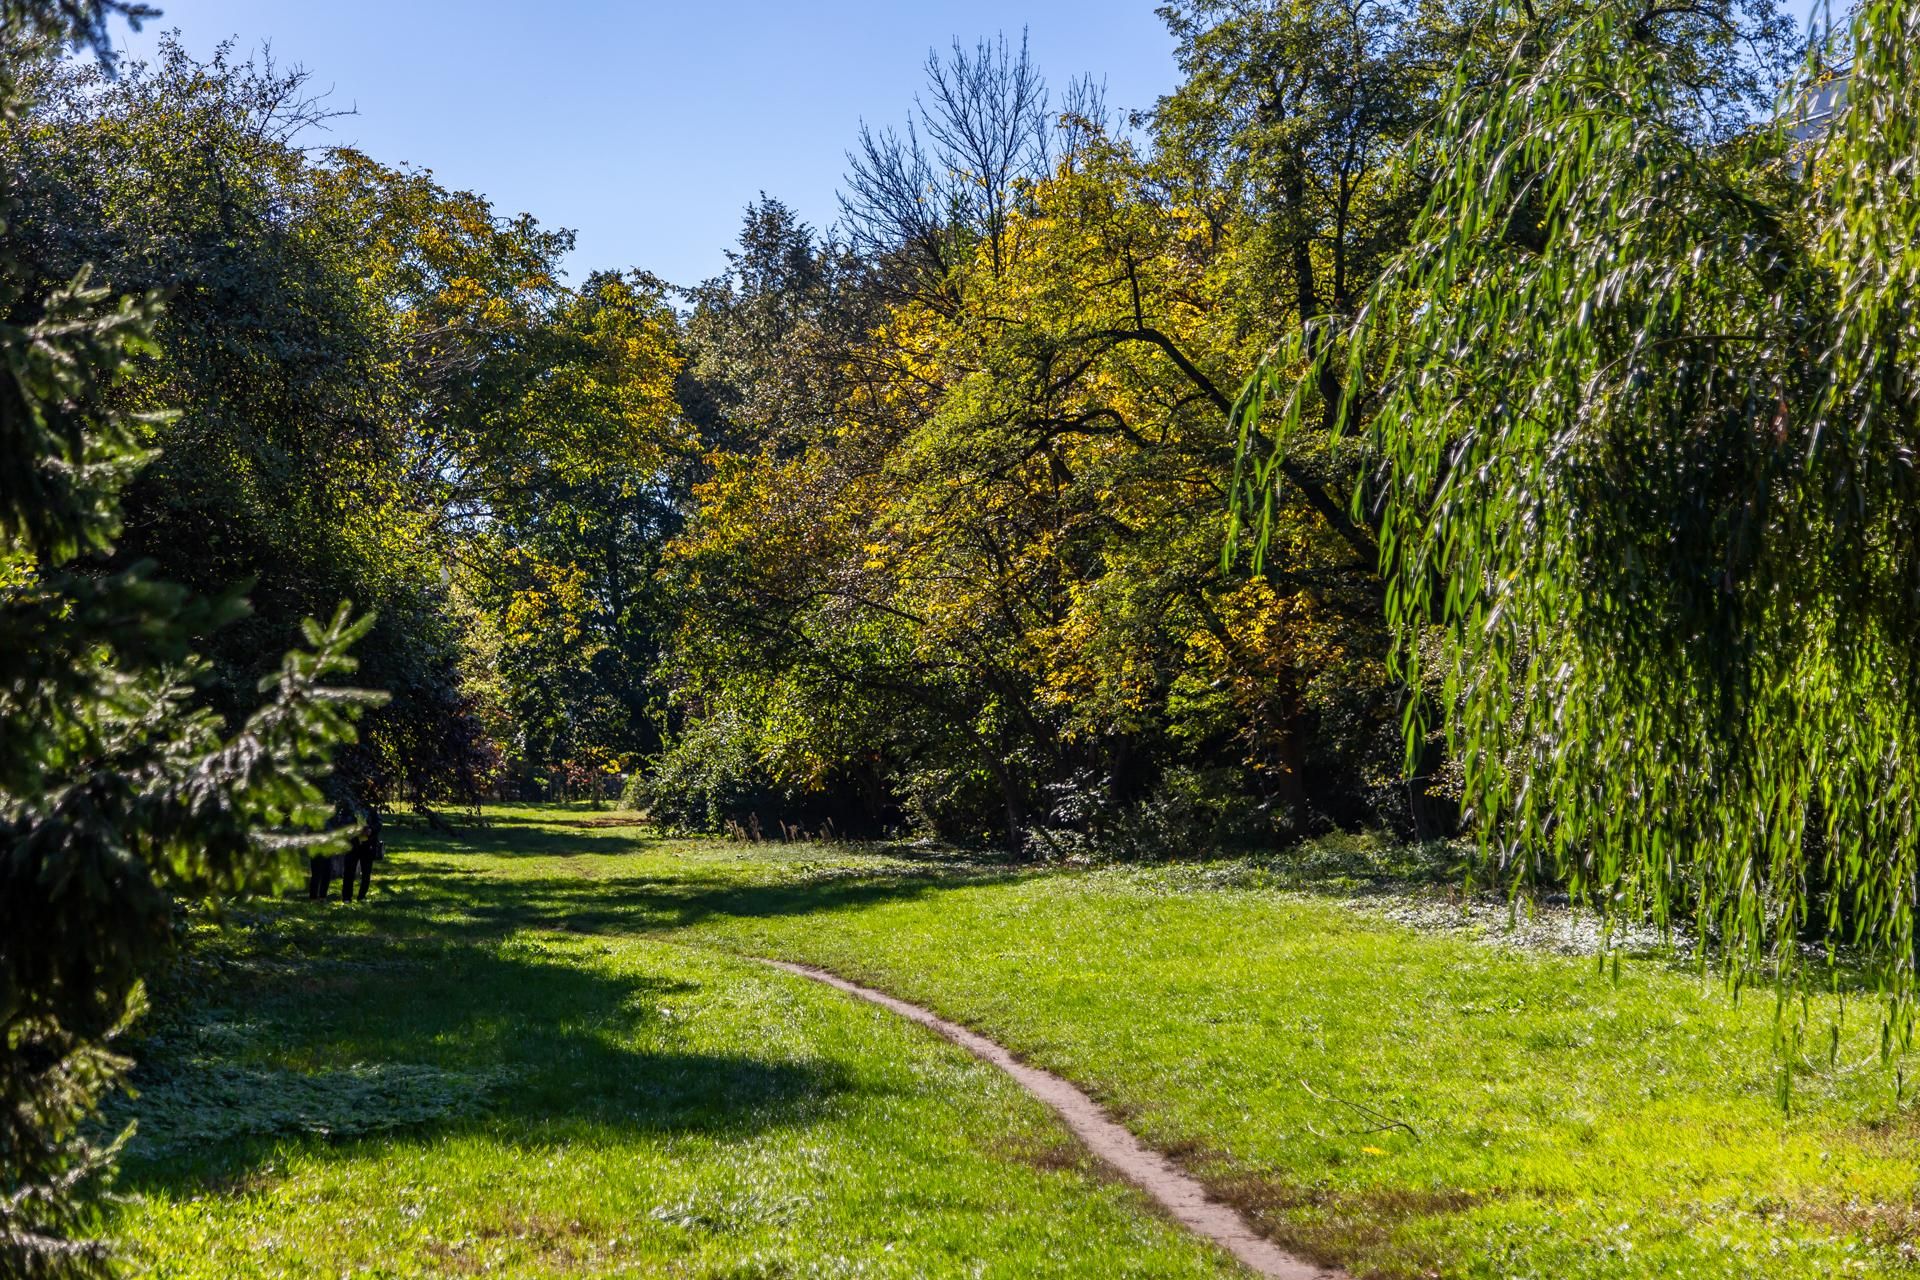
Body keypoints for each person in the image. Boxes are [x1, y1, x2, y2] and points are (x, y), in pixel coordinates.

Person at [340, 798, 382, 901]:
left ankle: (362, 896)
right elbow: (342, 824)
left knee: (366, 873)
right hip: (352, 844)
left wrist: (371, 830)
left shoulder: (370, 810)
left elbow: (379, 824)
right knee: (349, 872)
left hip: (368, 845)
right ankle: (346, 897)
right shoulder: (347, 810)